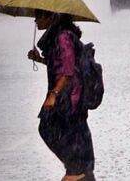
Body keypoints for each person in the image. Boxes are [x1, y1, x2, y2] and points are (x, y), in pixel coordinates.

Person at [27, 10, 95, 181]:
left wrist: (54, 94)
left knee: (49, 127)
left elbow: (68, 69)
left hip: (69, 96)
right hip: (68, 95)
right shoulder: (58, 36)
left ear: (50, 17)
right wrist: (40, 59)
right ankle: (78, 169)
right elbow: (59, 64)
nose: (35, 20)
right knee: (68, 131)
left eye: (38, 16)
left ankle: (75, 169)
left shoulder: (63, 37)